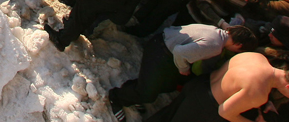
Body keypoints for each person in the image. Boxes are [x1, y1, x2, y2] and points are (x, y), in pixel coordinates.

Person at [109, 24, 258, 120]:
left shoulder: (216, 31)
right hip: (162, 52)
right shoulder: (215, 45)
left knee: (163, 85)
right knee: (148, 92)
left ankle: (133, 95)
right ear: (238, 45)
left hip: (162, 43)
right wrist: (184, 69)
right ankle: (115, 98)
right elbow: (180, 53)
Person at [147, 52, 289, 122]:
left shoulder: (258, 57)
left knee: (165, 115)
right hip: (204, 106)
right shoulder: (260, 93)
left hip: (199, 84)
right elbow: (225, 112)